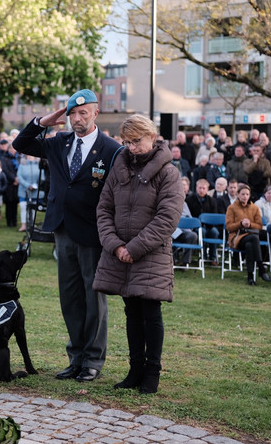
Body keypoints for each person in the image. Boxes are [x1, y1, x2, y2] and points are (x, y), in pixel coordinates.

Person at [13, 89, 123, 382]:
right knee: (70, 297)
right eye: (72, 113)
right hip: (62, 228)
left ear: (95, 113)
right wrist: (43, 121)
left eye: (82, 112)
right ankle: (76, 357)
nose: (77, 118)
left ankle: (93, 360)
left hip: (93, 230)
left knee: (94, 296)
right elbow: (20, 143)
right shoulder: (59, 142)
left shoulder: (111, 148)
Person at [92, 114, 184, 394]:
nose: (131, 148)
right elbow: (104, 210)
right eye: (127, 142)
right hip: (120, 253)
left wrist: (133, 248)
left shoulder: (168, 173)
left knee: (150, 311)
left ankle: (151, 372)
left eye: (136, 141)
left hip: (150, 254)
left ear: (152, 137)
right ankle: (135, 369)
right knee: (131, 311)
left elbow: (167, 218)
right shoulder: (119, 169)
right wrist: (115, 246)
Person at [226, 183, 271, 285]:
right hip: (237, 237)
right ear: (238, 195)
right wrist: (240, 223)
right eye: (242, 194)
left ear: (250, 195)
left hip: (251, 236)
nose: (245, 196)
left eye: (247, 194)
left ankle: (250, 277)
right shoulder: (231, 208)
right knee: (254, 238)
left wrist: (250, 224)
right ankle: (261, 267)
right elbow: (229, 227)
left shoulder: (255, 208)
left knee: (250, 245)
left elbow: (259, 226)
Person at [186, 178, 220, 263]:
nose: (201, 190)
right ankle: (203, 255)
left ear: (207, 189)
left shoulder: (212, 201)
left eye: (204, 188)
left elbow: (214, 216)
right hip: (195, 226)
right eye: (200, 188)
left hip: (209, 226)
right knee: (203, 232)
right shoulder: (190, 200)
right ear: (196, 188)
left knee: (215, 232)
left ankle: (213, 257)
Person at [17, 154, 43, 232]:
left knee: (33, 208)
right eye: (29, 155)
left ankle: (32, 224)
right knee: (23, 207)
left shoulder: (39, 164)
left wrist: (36, 185)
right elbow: (19, 176)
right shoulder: (22, 165)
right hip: (24, 190)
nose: (30, 157)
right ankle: (23, 225)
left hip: (35, 191)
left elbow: (42, 177)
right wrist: (27, 185)